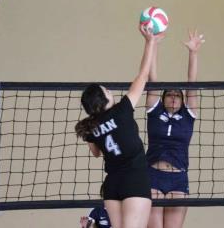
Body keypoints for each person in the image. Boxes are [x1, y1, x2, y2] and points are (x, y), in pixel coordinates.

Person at [75, 26, 164, 228]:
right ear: (103, 99)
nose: (110, 90)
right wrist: (150, 42)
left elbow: (97, 153)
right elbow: (142, 76)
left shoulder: (91, 127)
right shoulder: (122, 110)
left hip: (112, 185)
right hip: (134, 180)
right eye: (106, 89)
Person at [145, 29, 205, 228]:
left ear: (181, 100)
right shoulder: (154, 113)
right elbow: (152, 80)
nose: (172, 97)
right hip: (152, 176)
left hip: (178, 178)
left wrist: (193, 53)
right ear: (162, 100)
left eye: (177, 95)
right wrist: (152, 45)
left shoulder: (187, 116)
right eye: (169, 94)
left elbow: (191, 85)